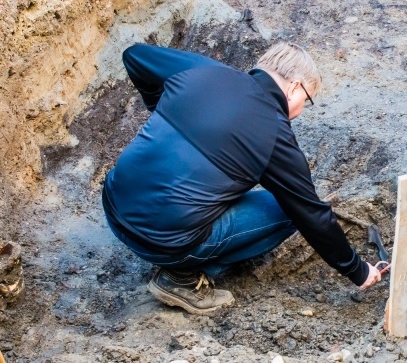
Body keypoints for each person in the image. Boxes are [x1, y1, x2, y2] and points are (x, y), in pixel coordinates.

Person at [102, 42, 382, 314]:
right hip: (163, 244)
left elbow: (134, 55)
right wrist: (357, 270)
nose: (301, 110)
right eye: (306, 100)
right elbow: (311, 213)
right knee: (287, 209)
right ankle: (183, 277)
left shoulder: (204, 70)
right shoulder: (274, 133)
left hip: (114, 207)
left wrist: (162, 105)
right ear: (294, 88)